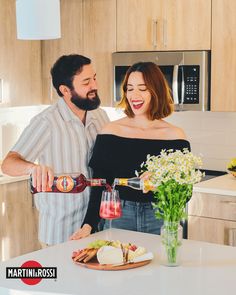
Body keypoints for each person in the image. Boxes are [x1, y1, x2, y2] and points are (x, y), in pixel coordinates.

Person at [70, 61, 191, 240]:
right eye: (130, 88)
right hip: (118, 215)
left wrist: (163, 183)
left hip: (160, 216)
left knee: (160, 267)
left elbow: (186, 191)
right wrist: (87, 226)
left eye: (142, 88)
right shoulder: (110, 132)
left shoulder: (174, 135)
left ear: (156, 91)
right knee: (119, 264)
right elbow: (100, 185)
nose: (134, 95)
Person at [1, 54, 109, 246]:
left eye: (94, 77)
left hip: (96, 227)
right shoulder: (46, 123)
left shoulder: (100, 116)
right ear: (65, 90)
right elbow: (8, 164)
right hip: (61, 233)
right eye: (86, 82)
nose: (95, 85)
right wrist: (32, 169)